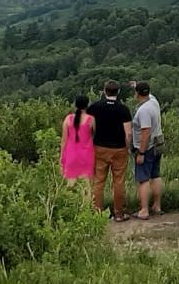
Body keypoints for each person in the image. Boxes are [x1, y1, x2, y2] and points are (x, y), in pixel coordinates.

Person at [87, 80, 132, 221]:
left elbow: (89, 128)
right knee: (118, 181)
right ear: (118, 92)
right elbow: (128, 133)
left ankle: (97, 213)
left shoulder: (94, 107)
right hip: (119, 149)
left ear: (104, 91)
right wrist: (129, 147)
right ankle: (119, 213)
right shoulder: (123, 109)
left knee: (98, 181)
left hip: (99, 147)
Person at [130, 81, 164, 220]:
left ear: (137, 93)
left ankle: (144, 210)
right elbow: (148, 93)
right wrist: (136, 85)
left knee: (143, 179)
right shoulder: (153, 101)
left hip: (147, 147)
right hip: (158, 144)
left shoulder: (143, 111)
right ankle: (157, 206)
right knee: (155, 176)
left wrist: (141, 153)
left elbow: (145, 131)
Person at [59, 95, 95, 189]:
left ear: (75, 105)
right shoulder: (91, 119)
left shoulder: (68, 119)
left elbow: (64, 140)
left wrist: (62, 157)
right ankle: (86, 204)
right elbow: (95, 136)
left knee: (70, 186)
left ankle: (72, 204)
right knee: (86, 187)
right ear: (88, 105)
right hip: (86, 156)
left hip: (71, 155)